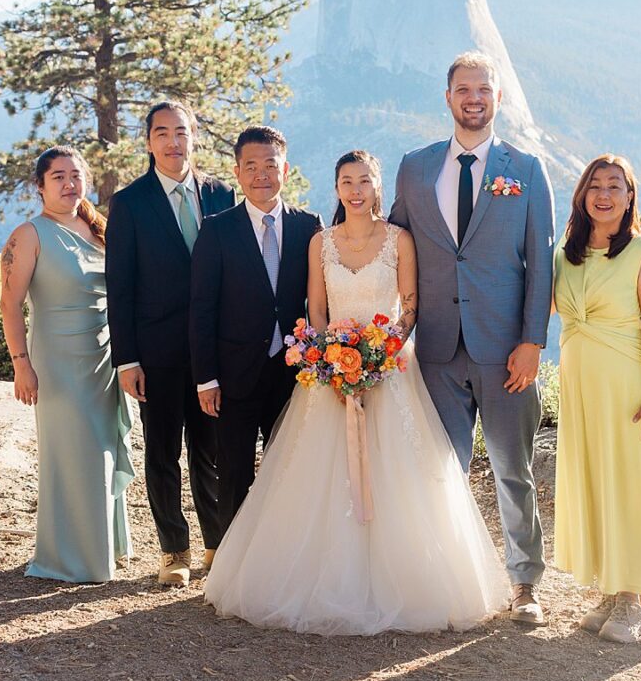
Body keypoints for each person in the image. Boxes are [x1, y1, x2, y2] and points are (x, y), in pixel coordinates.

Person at [204, 150, 509, 634]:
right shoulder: (321, 243)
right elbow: (317, 307)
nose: (355, 190)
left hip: (389, 369)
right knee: (318, 475)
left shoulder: (399, 240)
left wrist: (380, 354)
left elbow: (409, 306)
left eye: (364, 180)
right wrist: (331, 360)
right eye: (346, 181)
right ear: (337, 188)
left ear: (377, 186)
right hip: (331, 374)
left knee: (399, 472)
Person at [387, 51, 555, 625]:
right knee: (441, 470)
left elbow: (541, 262)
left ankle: (525, 582)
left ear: (498, 98)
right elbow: (396, 246)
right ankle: (443, 580)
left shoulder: (526, 170)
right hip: (434, 347)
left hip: (507, 349)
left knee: (513, 468)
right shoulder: (414, 167)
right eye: (463, 89)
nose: (473, 98)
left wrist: (533, 341)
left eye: (484, 89)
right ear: (448, 97)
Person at [105, 101, 237, 586]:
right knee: (162, 453)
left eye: (181, 131)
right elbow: (119, 285)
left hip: (212, 352)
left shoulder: (223, 195)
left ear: (194, 136)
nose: (172, 141)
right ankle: (173, 552)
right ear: (148, 141)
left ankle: (216, 545)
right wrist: (128, 359)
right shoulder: (130, 201)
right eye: (162, 133)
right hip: (155, 354)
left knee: (211, 452)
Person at [552, 154, 641, 643]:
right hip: (579, 389)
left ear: (629, 199)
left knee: (628, 482)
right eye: (594, 185)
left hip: (626, 386)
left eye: (615, 186)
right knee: (595, 480)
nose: (604, 193)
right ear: (582, 195)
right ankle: (610, 585)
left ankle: (634, 599)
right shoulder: (564, 255)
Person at [0, 146, 134, 584]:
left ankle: (103, 549)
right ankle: (69, 557)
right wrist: (21, 363)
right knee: (74, 455)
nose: (69, 183)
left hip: (104, 359)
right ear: (40, 186)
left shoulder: (100, 230)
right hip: (56, 361)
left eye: (76, 175)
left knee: (104, 449)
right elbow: (10, 303)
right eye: (58, 176)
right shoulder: (29, 235)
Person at [189, 126, 321, 532]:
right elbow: (201, 309)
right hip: (233, 376)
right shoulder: (216, 229)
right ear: (238, 172)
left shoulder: (308, 226)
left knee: (292, 473)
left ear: (285, 168)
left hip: (293, 374)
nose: (261, 174)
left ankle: (284, 559)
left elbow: (318, 300)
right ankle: (230, 567)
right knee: (233, 476)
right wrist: (206, 379)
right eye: (252, 166)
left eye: (270, 164)